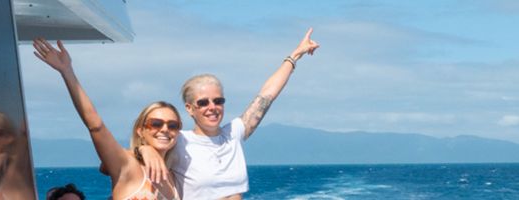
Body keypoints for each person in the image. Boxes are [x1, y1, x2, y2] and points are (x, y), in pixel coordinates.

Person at [138, 28, 320, 199]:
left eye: (218, 101)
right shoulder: (179, 141)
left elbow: (267, 95)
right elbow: (115, 164)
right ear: (189, 108)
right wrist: (144, 150)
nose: (212, 107)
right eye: (203, 103)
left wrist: (295, 55)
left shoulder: (233, 133)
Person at [33, 38, 182, 200]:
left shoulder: (175, 178)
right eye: (156, 124)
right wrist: (67, 71)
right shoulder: (127, 166)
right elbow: (95, 125)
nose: (165, 129)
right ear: (140, 130)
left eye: (173, 125)